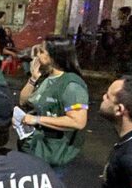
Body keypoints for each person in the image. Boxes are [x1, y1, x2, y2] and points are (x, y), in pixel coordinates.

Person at [17, 36, 90, 174]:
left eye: (41, 51)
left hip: (51, 155)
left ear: (54, 55)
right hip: (33, 149)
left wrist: (37, 119)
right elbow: (23, 101)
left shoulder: (71, 84)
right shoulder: (44, 76)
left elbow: (78, 121)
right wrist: (33, 79)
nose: (37, 55)